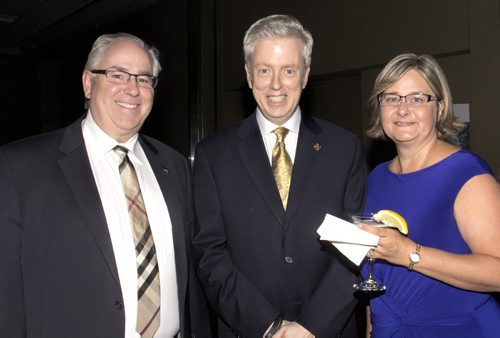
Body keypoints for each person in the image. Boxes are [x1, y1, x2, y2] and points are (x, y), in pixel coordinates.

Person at [0, 32, 212, 337]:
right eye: (117, 74)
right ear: (88, 83)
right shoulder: (20, 167)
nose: (132, 89)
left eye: (143, 79)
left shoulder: (174, 166)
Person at [192, 14, 367, 337]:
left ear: (305, 76)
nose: (276, 84)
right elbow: (209, 254)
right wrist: (269, 325)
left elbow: (354, 249)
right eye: (264, 70)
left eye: (288, 70)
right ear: (248, 75)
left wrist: (311, 326)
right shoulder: (212, 155)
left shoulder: (345, 148)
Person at [359, 53, 500, 337]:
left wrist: (410, 254)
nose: (403, 109)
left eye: (417, 98)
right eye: (392, 98)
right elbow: (377, 263)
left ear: (440, 107)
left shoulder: (464, 172)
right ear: (379, 107)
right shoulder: (377, 177)